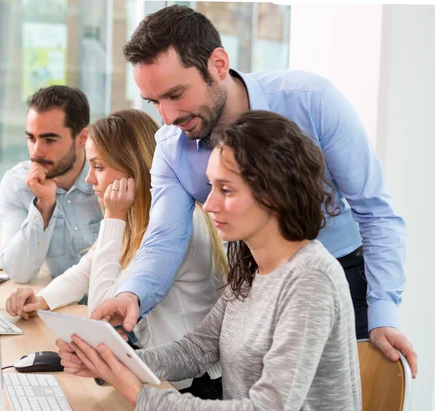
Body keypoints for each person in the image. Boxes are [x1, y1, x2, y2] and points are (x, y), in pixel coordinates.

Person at [88, 5, 417, 376]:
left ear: (218, 64)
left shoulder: (312, 99)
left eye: (175, 94)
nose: (167, 117)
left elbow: (374, 211)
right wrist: (130, 294)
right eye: (154, 102)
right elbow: (163, 240)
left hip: (342, 273)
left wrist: (383, 312)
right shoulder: (171, 146)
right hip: (252, 275)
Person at [59, 110, 362, 410]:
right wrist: (112, 363)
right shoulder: (252, 267)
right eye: (211, 186)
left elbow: (269, 407)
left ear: (274, 193)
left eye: (226, 190)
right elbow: (198, 348)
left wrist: (141, 395)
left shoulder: (310, 279)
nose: (210, 203)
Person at [5, 109, 227, 398]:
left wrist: (112, 217)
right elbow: (88, 267)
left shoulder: (174, 227)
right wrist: (43, 300)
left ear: (131, 170)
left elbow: (101, 311)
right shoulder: (141, 217)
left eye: (98, 167)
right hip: (158, 369)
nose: (88, 180)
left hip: (192, 385)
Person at [0, 86, 103, 283]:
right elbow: (18, 273)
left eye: (49, 140)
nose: (36, 152)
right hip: (60, 306)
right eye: (31, 138)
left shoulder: (108, 177)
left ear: (81, 139)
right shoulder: (16, 185)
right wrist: (43, 206)